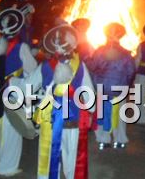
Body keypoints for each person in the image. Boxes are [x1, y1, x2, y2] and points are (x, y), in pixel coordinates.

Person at [27, 23, 95, 179]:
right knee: (66, 155)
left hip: (64, 116)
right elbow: (88, 91)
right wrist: (90, 112)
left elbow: (28, 85)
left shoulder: (75, 66)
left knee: (57, 153)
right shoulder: (75, 65)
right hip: (67, 116)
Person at [0, 8, 38, 176]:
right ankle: (7, 167)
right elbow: (32, 69)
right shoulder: (21, 47)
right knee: (12, 130)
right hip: (12, 92)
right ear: (18, 28)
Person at [87, 22, 135, 150]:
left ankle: (103, 139)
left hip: (102, 88)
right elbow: (131, 72)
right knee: (120, 116)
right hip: (120, 89)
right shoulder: (126, 54)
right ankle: (120, 140)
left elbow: (93, 67)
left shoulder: (99, 51)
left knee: (103, 113)